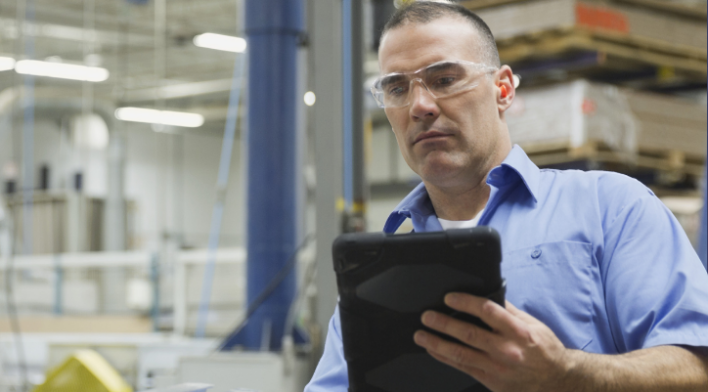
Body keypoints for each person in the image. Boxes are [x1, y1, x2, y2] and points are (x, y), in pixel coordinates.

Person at [305, 2, 708, 391]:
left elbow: (697, 368)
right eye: (397, 88)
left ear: (502, 89)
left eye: (445, 79)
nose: (420, 106)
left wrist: (567, 376)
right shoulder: (376, 278)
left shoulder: (610, 208)